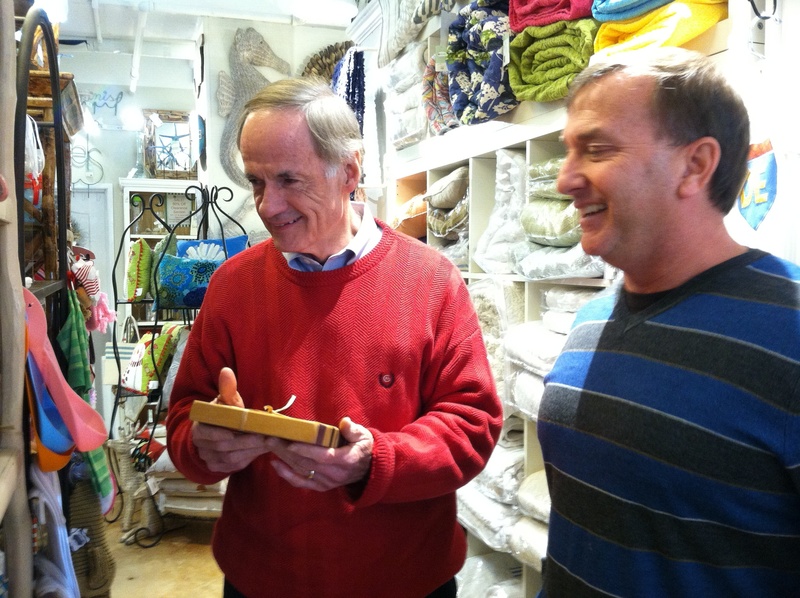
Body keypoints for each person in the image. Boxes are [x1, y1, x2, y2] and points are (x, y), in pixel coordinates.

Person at [166, 77, 503, 598]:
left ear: (349, 170)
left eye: (288, 180)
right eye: (256, 182)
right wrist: (206, 444)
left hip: (405, 580)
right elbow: (185, 418)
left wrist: (379, 459)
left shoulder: (433, 282)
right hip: (263, 579)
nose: (266, 205)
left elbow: (473, 424)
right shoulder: (233, 285)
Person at [537, 46, 800, 596]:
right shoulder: (591, 319)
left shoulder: (790, 330)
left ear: (695, 165)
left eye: (597, 150)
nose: (565, 180)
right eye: (569, 153)